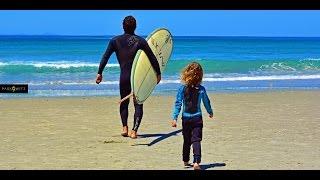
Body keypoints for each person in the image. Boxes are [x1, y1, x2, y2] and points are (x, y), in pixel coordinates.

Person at [96, 16, 161, 139]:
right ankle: (134, 131)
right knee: (138, 104)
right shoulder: (140, 41)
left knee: (124, 102)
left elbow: (105, 57)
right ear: (135, 26)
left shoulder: (115, 41)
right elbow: (152, 58)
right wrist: (158, 73)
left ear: (122, 26)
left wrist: (100, 72)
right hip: (137, 78)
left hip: (124, 77)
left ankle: (124, 128)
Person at [171, 62, 214, 170]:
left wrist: (174, 118)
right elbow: (206, 102)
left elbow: (178, 103)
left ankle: (186, 161)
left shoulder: (182, 88)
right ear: (200, 75)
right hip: (197, 118)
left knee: (187, 140)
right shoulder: (201, 89)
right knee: (196, 140)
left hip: (185, 118)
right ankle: (196, 162)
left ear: (186, 73)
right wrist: (210, 111)